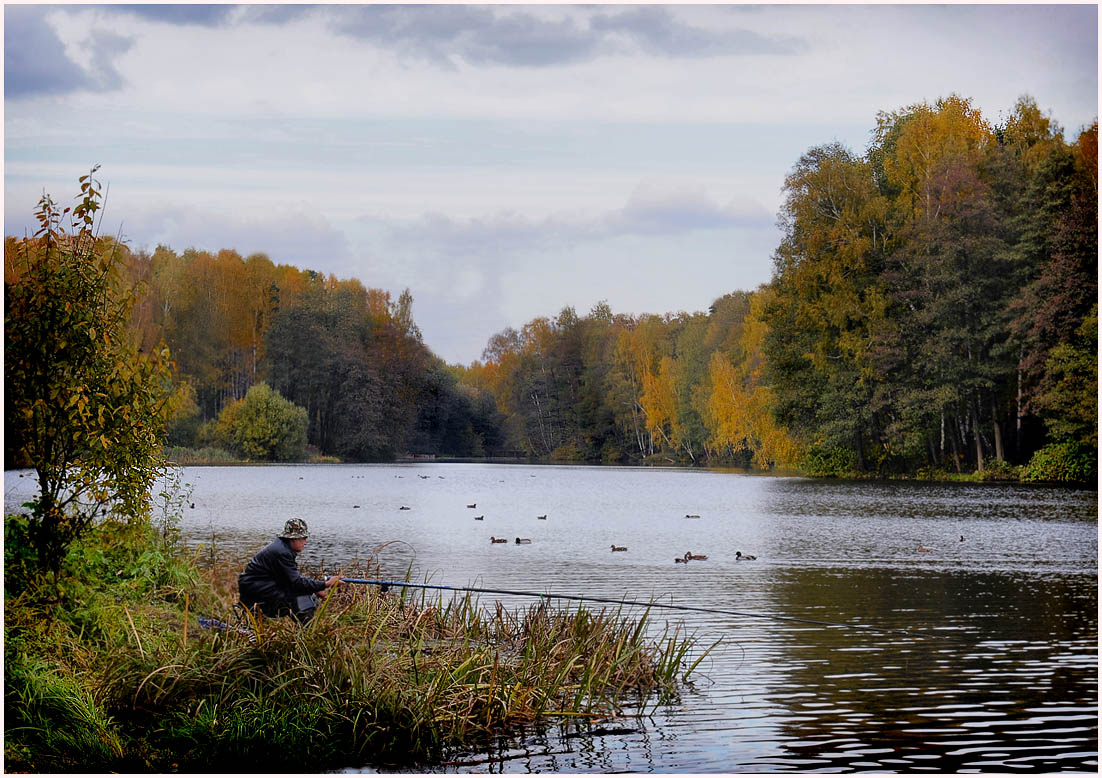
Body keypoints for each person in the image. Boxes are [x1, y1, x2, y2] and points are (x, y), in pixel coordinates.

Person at [238, 518, 343, 623]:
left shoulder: (282, 547)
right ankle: (307, 632)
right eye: (303, 538)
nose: (305, 542)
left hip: (257, 589)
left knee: (305, 592)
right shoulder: (282, 552)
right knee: (304, 598)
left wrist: (314, 588)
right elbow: (296, 582)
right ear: (293, 539)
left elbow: (289, 579)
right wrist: (326, 584)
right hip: (256, 593)